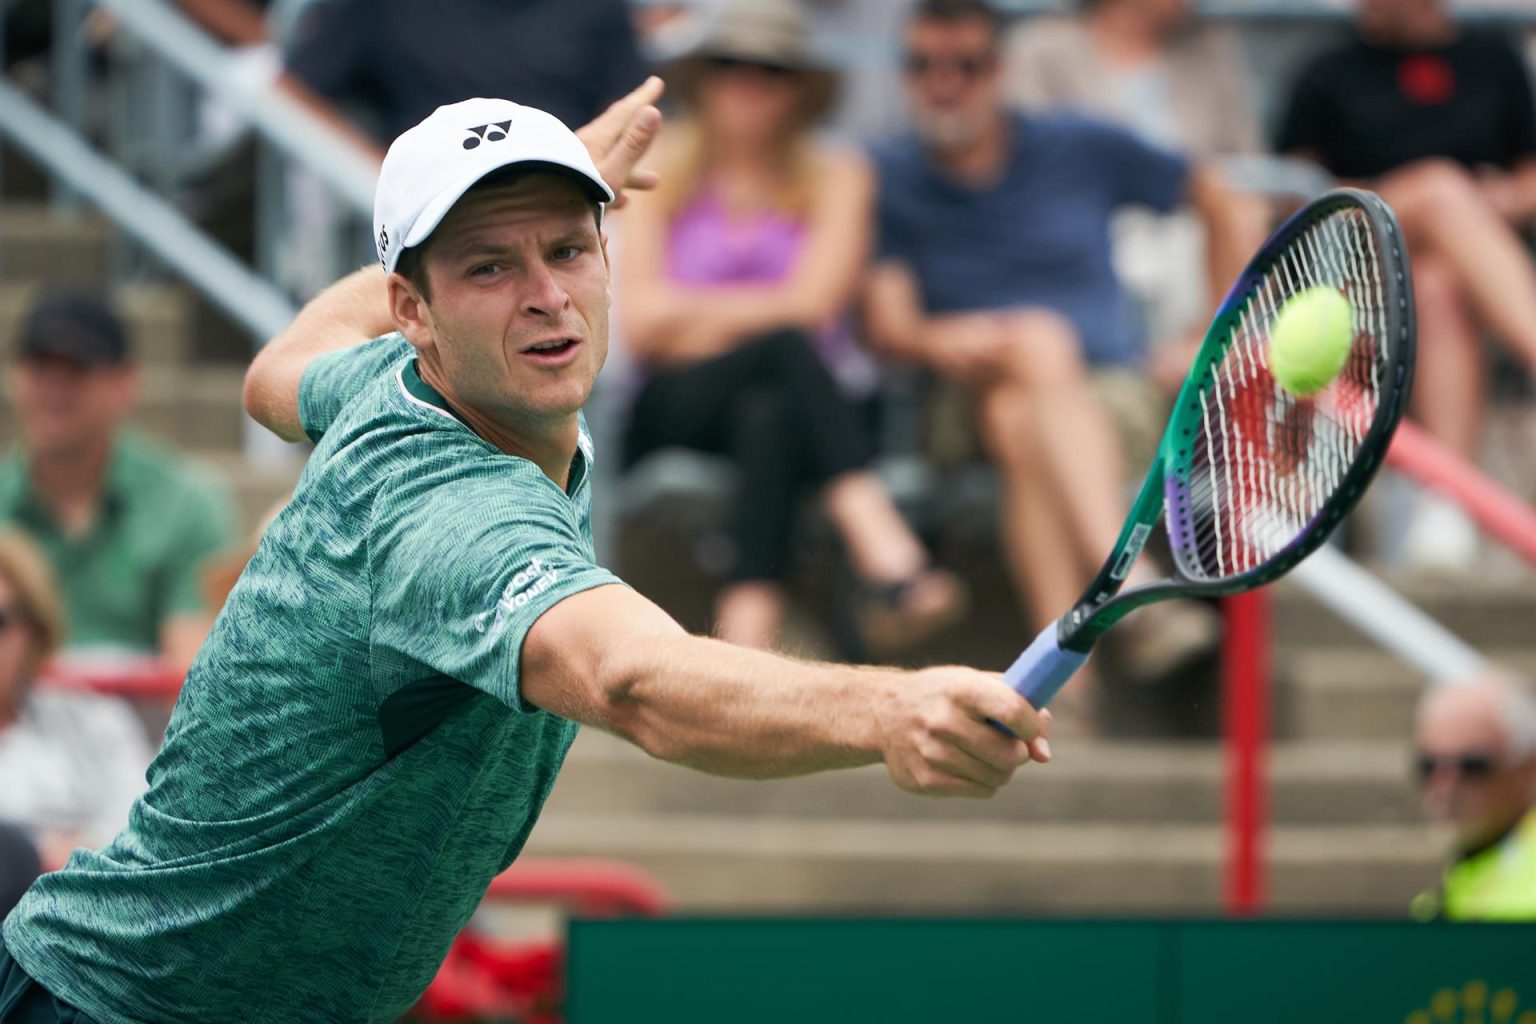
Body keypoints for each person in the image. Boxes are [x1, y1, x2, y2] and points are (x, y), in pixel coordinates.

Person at [0, 81, 1050, 1023]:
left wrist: (550, 179)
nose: (546, 294)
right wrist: (883, 708)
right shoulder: (448, 513)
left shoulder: (387, 380)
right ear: (412, 309)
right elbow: (633, 679)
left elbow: (279, 365)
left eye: (567, 246)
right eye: (489, 267)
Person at [863, 0, 1246, 699]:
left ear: (999, 72)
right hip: (956, 403)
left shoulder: (1077, 144)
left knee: (1022, 414)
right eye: (924, 66)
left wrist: (1206, 335)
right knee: (1035, 347)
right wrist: (938, 337)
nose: (944, 83)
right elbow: (891, 325)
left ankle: (1069, 691)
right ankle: (1128, 584)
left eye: (966, 66)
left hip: (1100, 396)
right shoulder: (891, 173)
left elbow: (1218, 196)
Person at [618, 0, 962, 652]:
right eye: (731, 66)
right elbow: (645, 321)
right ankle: (887, 554)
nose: (748, 85)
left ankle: (747, 630)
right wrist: (761, 318)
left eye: (770, 70)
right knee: (782, 351)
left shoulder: (841, 173)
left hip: (803, 407)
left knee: (770, 408)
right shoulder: (661, 164)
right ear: (704, 77)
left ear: (800, 87)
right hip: (679, 401)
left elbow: (816, 303)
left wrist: (696, 316)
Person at [1275, 0, 1536, 568]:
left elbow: (1529, 175)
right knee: (1440, 189)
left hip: (1461, 267)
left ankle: (1444, 501)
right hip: (1353, 256)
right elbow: (1295, 189)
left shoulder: (1494, 62)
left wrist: (1502, 199)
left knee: (1438, 284)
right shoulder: (1328, 70)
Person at [1003, 0, 1270, 359]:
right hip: (1088, 235)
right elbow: (1021, 166)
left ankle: (1211, 361)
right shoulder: (1042, 48)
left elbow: (1250, 167)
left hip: (1195, 233)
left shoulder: (1210, 48)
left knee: (1239, 214)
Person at [0, 291, 236, 671]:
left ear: (125, 383)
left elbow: (191, 672)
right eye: (40, 364)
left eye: (76, 367)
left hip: (147, 726)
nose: (54, 386)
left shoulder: (183, 504)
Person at [282, 0, 647, 144]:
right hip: (427, 211)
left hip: (564, 197)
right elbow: (293, 93)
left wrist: (589, 178)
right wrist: (382, 180)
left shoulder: (600, 6)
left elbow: (629, 105)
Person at [0, 529, 153, 871]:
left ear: (35, 631)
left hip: (84, 911)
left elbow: (139, 844)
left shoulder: (96, 723)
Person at [1410, 671, 1536, 921]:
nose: (1445, 787)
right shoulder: (1441, 895)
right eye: (1429, 765)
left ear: (1528, 768)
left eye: (1472, 766)